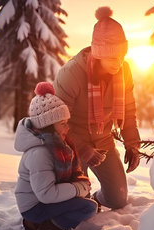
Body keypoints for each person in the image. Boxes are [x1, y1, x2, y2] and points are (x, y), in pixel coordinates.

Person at [53, 6, 141, 210]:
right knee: (73, 202)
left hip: (103, 139)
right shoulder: (72, 73)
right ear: (99, 53)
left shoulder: (124, 71)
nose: (118, 63)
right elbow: (58, 122)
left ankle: (93, 200)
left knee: (118, 199)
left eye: (121, 56)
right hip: (71, 144)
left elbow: (128, 109)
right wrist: (82, 148)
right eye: (112, 57)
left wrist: (132, 143)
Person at [14, 82, 97, 230]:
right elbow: (46, 194)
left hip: (40, 201)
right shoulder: (40, 153)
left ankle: (36, 223)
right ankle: (50, 229)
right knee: (87, 208)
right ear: (49, 126)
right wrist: (77, 188)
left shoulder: (54, 144)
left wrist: (78, 187)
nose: (67, 128)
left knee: (83, 202)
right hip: (34, 206)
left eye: (67, 122)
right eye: (63, 123)